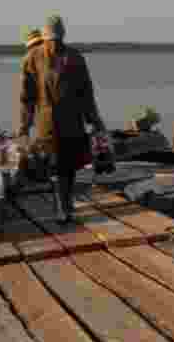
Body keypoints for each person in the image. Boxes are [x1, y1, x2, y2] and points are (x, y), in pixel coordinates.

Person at [16, 15, 107, 222]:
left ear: (63, 36)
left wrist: (94, 120)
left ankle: (65, 206)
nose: (54, 43)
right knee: (54, 166)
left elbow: (86, 93)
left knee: (69, 165)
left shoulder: (75, 58)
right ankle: (63, 208)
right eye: (51, 39)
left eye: (58, 39)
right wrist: (23, 126)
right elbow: (26, 97)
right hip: (46, 124)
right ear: (45, 38)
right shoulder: (32, 58)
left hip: (72, 122)